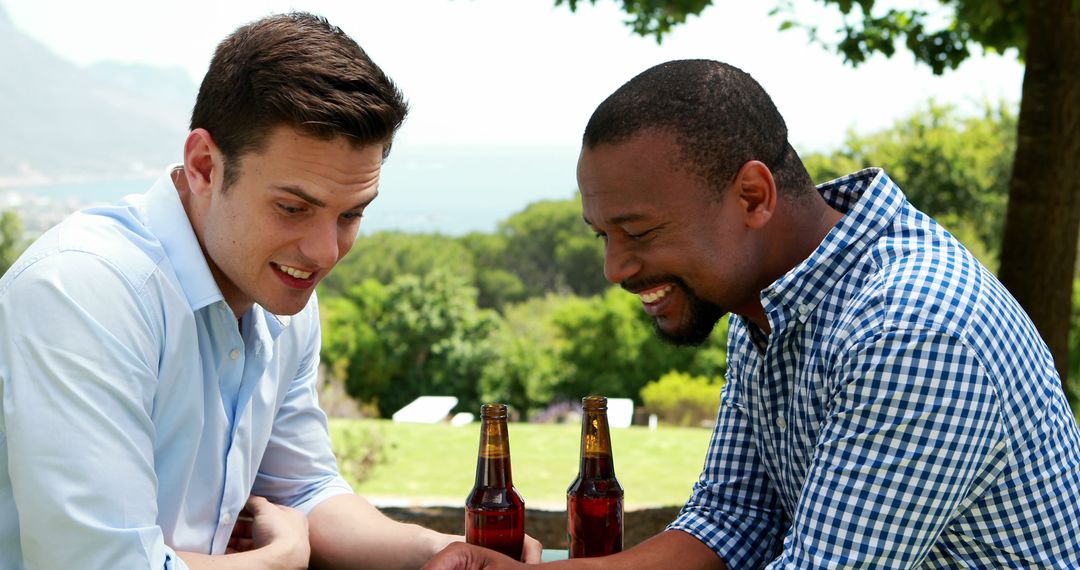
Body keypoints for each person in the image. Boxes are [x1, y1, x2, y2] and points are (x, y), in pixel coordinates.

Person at [424, 59, 1080, 569]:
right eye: (604, 236)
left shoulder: (911, 329)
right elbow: (731, 522)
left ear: (752, 195)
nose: (615, 270)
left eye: (639, 232)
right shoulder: (766, 300)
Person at [0, 12, 543, 569]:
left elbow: (306, 491)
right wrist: (278, 560)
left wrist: (447, 551)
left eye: (351, 214)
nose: (325, 252)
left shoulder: (280, 296)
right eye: (292, 208)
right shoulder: (85, 291)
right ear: (204, 165)